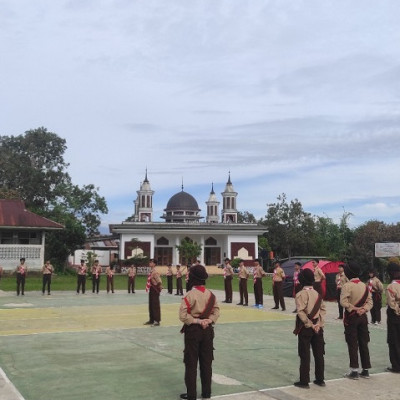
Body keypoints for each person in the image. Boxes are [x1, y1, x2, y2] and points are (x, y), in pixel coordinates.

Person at [179, 264, 220, 400]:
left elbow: (183, 316)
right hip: (207, 331)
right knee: (206, 362)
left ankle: (191, 394)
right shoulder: (211, 295)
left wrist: (197, 321)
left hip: (193, 331)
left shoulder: (189, 295)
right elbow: (216, 311)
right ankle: (206, 392)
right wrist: (208, 320)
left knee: (191, 363)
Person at [293, 268, 326, 389]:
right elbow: (323, 309)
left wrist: (310, 324)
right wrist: (319, 324)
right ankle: (320, 379)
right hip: (318, 326)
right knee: (319, 353)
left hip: (306, 327)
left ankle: (304, 381)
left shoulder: (300, 294)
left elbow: (301, 312)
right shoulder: (317, 293)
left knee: (304, 353)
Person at [340, 262, 373, 379]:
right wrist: (363, 309)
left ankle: (354, 370)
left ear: (349, 272)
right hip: (363, 317)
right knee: (364, 342)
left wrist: (354, 308)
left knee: (352, 342)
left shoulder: (347, 285)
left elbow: (343, 302)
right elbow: (370, 302)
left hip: (352, 317)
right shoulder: (364, 285)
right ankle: (366, 369)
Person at [385, 262, 400, 373]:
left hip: (394, 316)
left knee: (393, 340)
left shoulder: (391, 286)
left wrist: (397, 311)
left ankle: (396, 365)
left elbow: (391, 303)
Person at [144, 258, 162, 327]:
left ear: (154, 264)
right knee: (151, 305)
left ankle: (157, 320)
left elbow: (159, 281)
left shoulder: (155, 272)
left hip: (155, 289)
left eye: (151, 262)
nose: (150, 263)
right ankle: (151, 319)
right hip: (151, 289)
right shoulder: (151, 271)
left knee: (155, 305)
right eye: (150, 262)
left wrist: (158, 288)